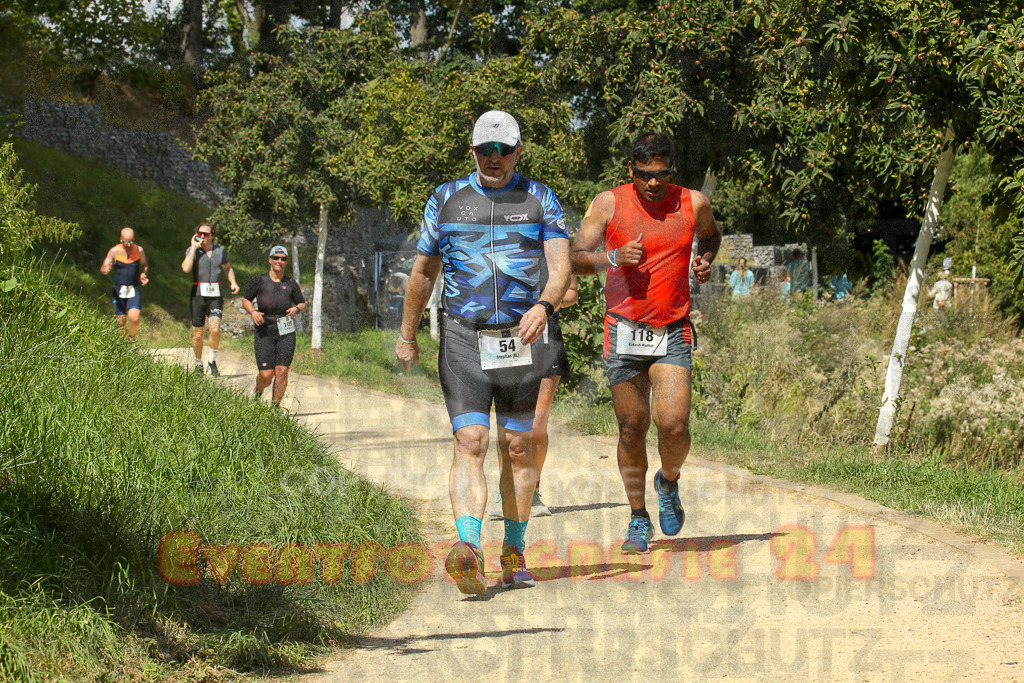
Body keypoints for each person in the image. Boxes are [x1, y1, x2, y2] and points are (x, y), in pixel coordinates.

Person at [395, 110, 570, 594]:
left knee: (517, 446)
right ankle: (468, 549)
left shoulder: (539, 198)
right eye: (485, 150)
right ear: (471, 151)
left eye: (504, 150)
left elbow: (560, 270)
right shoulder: (446, 199)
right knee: (470, 440)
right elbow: (424, 274)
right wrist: (407, 335)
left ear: (518, 151)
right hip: (463, 337)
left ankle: (513, 553)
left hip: (522, 337)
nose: (495, 159)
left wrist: (544, 305)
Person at [570, 131, 721, 554]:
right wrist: (612, 258)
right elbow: (575, 256)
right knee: (632, 427)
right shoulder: (609, 203)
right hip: (623, 327)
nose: (653, 183)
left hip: (672, 327)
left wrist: (705, 259)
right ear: (630, 171)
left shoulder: (693, 203)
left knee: (673, 424)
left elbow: (709, 236)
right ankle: (638, 516)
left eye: (661, 174)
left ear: (672, 169)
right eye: (644, 175)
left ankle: (668, 481)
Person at [490, 276, 579, 519]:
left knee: (537, 424)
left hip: (546, 338)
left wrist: (546, 304)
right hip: (507, 338)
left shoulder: (556, 246)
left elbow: (571, 293)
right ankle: (505, 490)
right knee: (509, 421)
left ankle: (533, 490)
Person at [242, 246, 306, 405]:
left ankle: (275, 409)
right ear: (270, 260)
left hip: (286, 330)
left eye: (283, 259)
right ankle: (259, 390)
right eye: (276, 258)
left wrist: (296, 309)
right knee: (266, 375)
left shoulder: (291, 283)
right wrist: (253, 312)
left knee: (282, 371)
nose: (279, 261)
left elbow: (302, 303)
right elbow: (246, 300)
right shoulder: (260, 280)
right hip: (264, 329)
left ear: (286, 262)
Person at [180, 223, 239, 376]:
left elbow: (227, 268)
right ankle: (198, 362)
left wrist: (232, 282)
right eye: (200, 233)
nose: (202, 236)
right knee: (198, 333)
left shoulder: (220, 251)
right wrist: (193, 248)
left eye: (206, 234)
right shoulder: (193, 250)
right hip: (198, 294)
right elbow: (185, 269)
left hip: (215, 294)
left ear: (212, 236)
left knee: (214, 328)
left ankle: (212, 360)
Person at [100, 227, 149, 341]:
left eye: (131, 241)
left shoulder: (139, 250)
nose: (128, 245)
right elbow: (104, 266)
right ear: (121, 239)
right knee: (121, 320)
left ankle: (131, 338)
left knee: (135, 317)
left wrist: (143, 274)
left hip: (133, 288)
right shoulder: (114, 251)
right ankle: (122, 343)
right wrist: (105, 269)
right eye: (126, 242)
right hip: (119, 289)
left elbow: (144, 265)